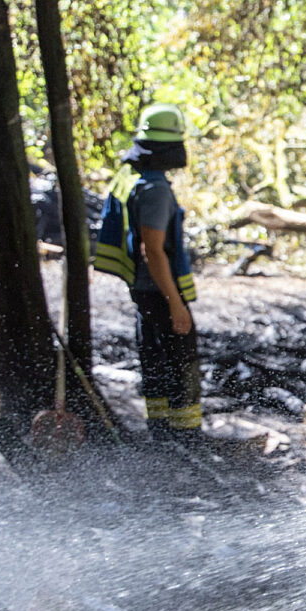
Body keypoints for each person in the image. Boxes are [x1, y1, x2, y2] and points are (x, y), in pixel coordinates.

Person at [95, 103, 202, 441]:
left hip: (142, 289)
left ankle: (160, 433)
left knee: (155, 357)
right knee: (180, 361)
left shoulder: (131, 176)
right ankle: (186, 439)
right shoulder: (155, 190)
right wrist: (175, 303)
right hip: (159, 288)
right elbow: (153, 251)